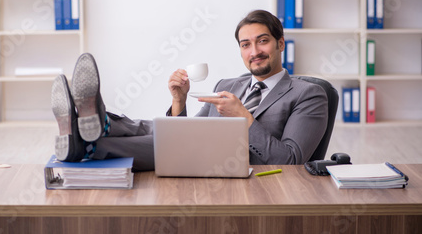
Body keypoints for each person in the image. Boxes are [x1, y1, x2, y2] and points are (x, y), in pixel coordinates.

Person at [51, 9, 328, 171]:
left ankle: (89, 140)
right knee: (151, 128)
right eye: (246, 45)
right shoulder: (228, 85)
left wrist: (244, 118)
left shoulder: (308, 94)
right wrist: (178, 102)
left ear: (280, 43)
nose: (254, 52)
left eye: (262, 41)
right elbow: (188, 132)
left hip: (231, 165)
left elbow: (291, 160)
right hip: (197, 151)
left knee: (165, 141)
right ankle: (98, 126)